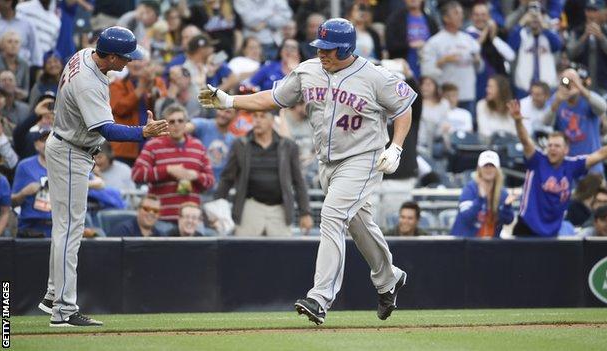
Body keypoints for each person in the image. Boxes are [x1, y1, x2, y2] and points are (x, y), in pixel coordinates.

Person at [199, 18, 414, 324]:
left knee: (332, 216)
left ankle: (320, 298)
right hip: (327, 162)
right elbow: (272, 99)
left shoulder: (374, 75)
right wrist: (230, 100)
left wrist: (396, 147)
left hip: (363, 158)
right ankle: (388, 277)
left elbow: (404, 107)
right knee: (358, 223)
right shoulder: (308, 70)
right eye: (320, 47)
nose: (323, 53)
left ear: (347, 47)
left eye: (330, 48)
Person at [38, 26, 168, 327]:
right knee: (69, 231)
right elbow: (107, 130)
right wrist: (143, 132)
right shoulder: (87, 81)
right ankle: (64, 311)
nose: (129, 62)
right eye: (124, 57)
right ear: (109, 55)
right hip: (71, 150)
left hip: (69, 145)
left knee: (65, 228)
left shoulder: (86, 53)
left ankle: (53, 295)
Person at [507, 99, 607, 237]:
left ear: (566, 149)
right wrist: (518, 121)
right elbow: (525, 141)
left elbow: (598, 155)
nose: (552, 149)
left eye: (557, 146)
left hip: (552, 232)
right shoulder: (537, 160)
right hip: (527, 227)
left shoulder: (571, 165)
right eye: (550, 145)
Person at [215, 110, 312, 236]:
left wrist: (305, 213)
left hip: (279, 209)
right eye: (255, 116)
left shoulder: (288, 146)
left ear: (272, 120)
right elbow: (227, 178)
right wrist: (216, 209)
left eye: (262, 116)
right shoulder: (240, 144)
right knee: (243, 252)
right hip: (250, 207)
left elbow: (299, 181)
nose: (258, 120)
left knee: (283, 253)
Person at [132, 104, 215, 224]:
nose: (176, 124)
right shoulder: (153, 145)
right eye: (171, 121)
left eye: (180, 121)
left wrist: (195, 176)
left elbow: (211, 181)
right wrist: (167, 170)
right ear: (165, 125)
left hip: (190, 219)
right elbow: (137, 174)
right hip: (161, 219)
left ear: (186, 123)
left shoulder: (198, 146)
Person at [542, 68, 607, 173]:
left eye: (572, 80)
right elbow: (545, 122)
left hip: (591, 161)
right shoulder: (557, 98)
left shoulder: (588, 97)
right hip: (568, 163)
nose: (569, 84)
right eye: (566, 80)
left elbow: (603, 107)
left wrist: (581, 89)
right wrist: (557, 101)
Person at [421, 1, 481, 116]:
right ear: (446, 18)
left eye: (461, 13)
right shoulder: (434, 42)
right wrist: (442, 61)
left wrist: (478, 60)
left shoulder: (469, 40)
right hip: (445, 97)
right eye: (456, 13)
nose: (461, 16)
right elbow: (426, 71)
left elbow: (479, 68)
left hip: (468, 94)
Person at [450, 150, 515, 237]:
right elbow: (467, 217)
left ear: (497, 169)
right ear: (479, 169)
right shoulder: (470, 189)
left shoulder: (502, 193)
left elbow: (508, 220)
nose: (488, 169)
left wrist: (507, 206)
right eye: (485, 166)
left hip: (490, 245)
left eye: (492, 166)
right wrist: (480, 199)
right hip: (466, 244)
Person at [566, 0, 607, 96]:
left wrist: (601, 37)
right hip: (581, 85)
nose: (591, 14)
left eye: (595, 11)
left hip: (603, 85)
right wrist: (584, 37)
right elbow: (570, 54)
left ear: (601, 12)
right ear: (585, 12)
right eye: (589, 10)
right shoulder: (577, 31)